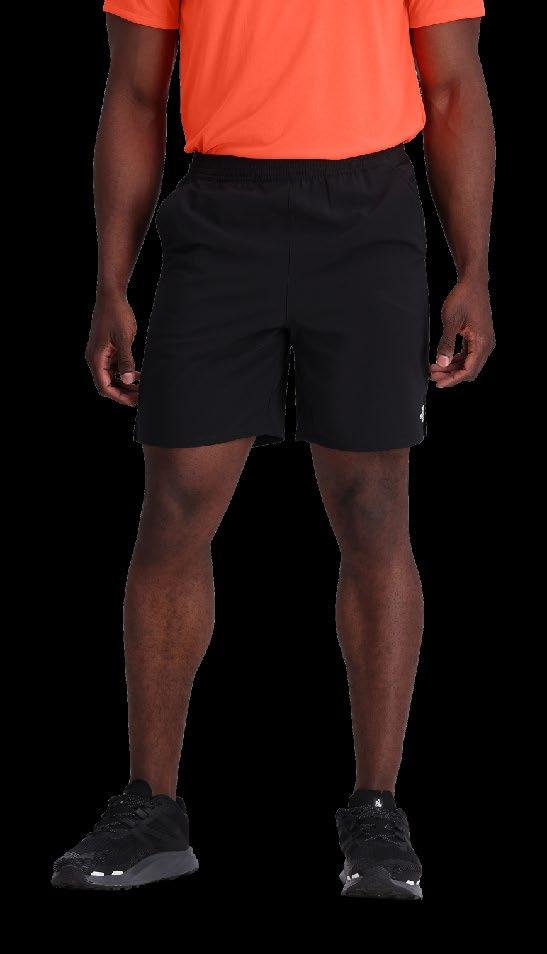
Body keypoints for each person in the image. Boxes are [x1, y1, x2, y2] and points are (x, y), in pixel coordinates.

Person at [52, 0, 495, 898]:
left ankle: (376, 813)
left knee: (373, 510)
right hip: (220, 213)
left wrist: (474, 269)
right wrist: (109, 281)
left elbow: (452, 87)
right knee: (176, 503)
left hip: (370, 214)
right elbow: (134, 93)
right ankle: (153, 808)